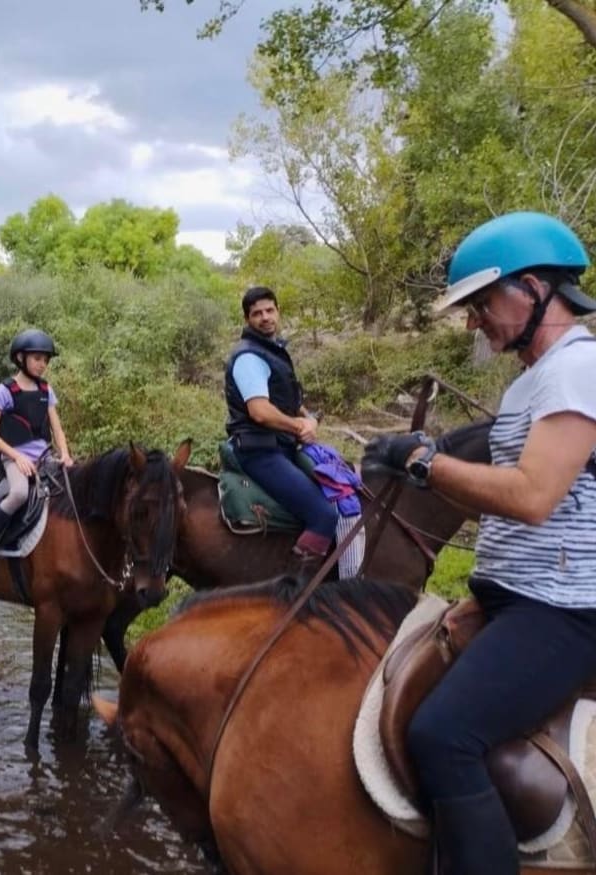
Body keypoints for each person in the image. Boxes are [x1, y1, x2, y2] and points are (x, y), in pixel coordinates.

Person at [362, 211, 596, 875]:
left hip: (564, 609)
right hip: (513, 598)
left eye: (481, 302)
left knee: (442, 736)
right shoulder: (532, 379)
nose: (474, 322)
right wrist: (417, 465)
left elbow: (531, 495)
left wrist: (426, 464)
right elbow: (496, 497)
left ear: (531, 290)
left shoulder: (578, 368)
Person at [224, 286, 337, 568]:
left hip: (279, 446)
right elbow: (260, 412)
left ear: (278, 312)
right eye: (257, 313)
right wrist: (298, 425)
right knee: (324, 516)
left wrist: (308, 417)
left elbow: (287, 402)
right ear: (247, 319)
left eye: (269, 310)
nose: (265, 317)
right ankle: (298, 586)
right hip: (260, 451)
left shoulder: (272, 351)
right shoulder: (250, 357)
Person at [0, 328, 75, 581]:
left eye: (45, 360)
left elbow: (56, 427)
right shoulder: (5, 391)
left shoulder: (46, 390)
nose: (42, 364)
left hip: (44, 457)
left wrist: (65, 455)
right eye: (37, 358)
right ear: (21, 358)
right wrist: (17, 457)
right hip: (12, 457)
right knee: (19, 493)